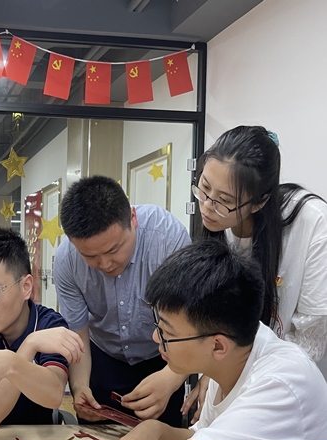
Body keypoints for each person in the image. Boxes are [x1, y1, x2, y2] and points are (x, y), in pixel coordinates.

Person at [0, 240, 327, 440]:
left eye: (167, 333)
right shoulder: (235, 352)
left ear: (217, 346)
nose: (156, 339)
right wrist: (160, 431)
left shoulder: (281, 384)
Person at [128, 125, 327, 424]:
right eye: (204, 188)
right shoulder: (220, 228)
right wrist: (184, 374)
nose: (207, 207)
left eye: (223, 200)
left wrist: (229, 377)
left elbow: (310, 342)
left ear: (259, 202)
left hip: (286, 392)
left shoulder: (312, 225)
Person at [54, 175, 191, 426]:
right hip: (101, 356)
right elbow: (78, 333)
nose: (105, 264)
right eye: (90, 256)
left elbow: (191, 325)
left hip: (165, 355)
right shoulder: (66, 261)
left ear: (132, 218)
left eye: (114, 249)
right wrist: (80, 386)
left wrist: (171, 378)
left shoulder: (168, 240)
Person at [0, 227, 83, 428]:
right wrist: (27, 347)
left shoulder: (49, 324)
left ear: (26, 287)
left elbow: (54, 395)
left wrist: (13, 360)